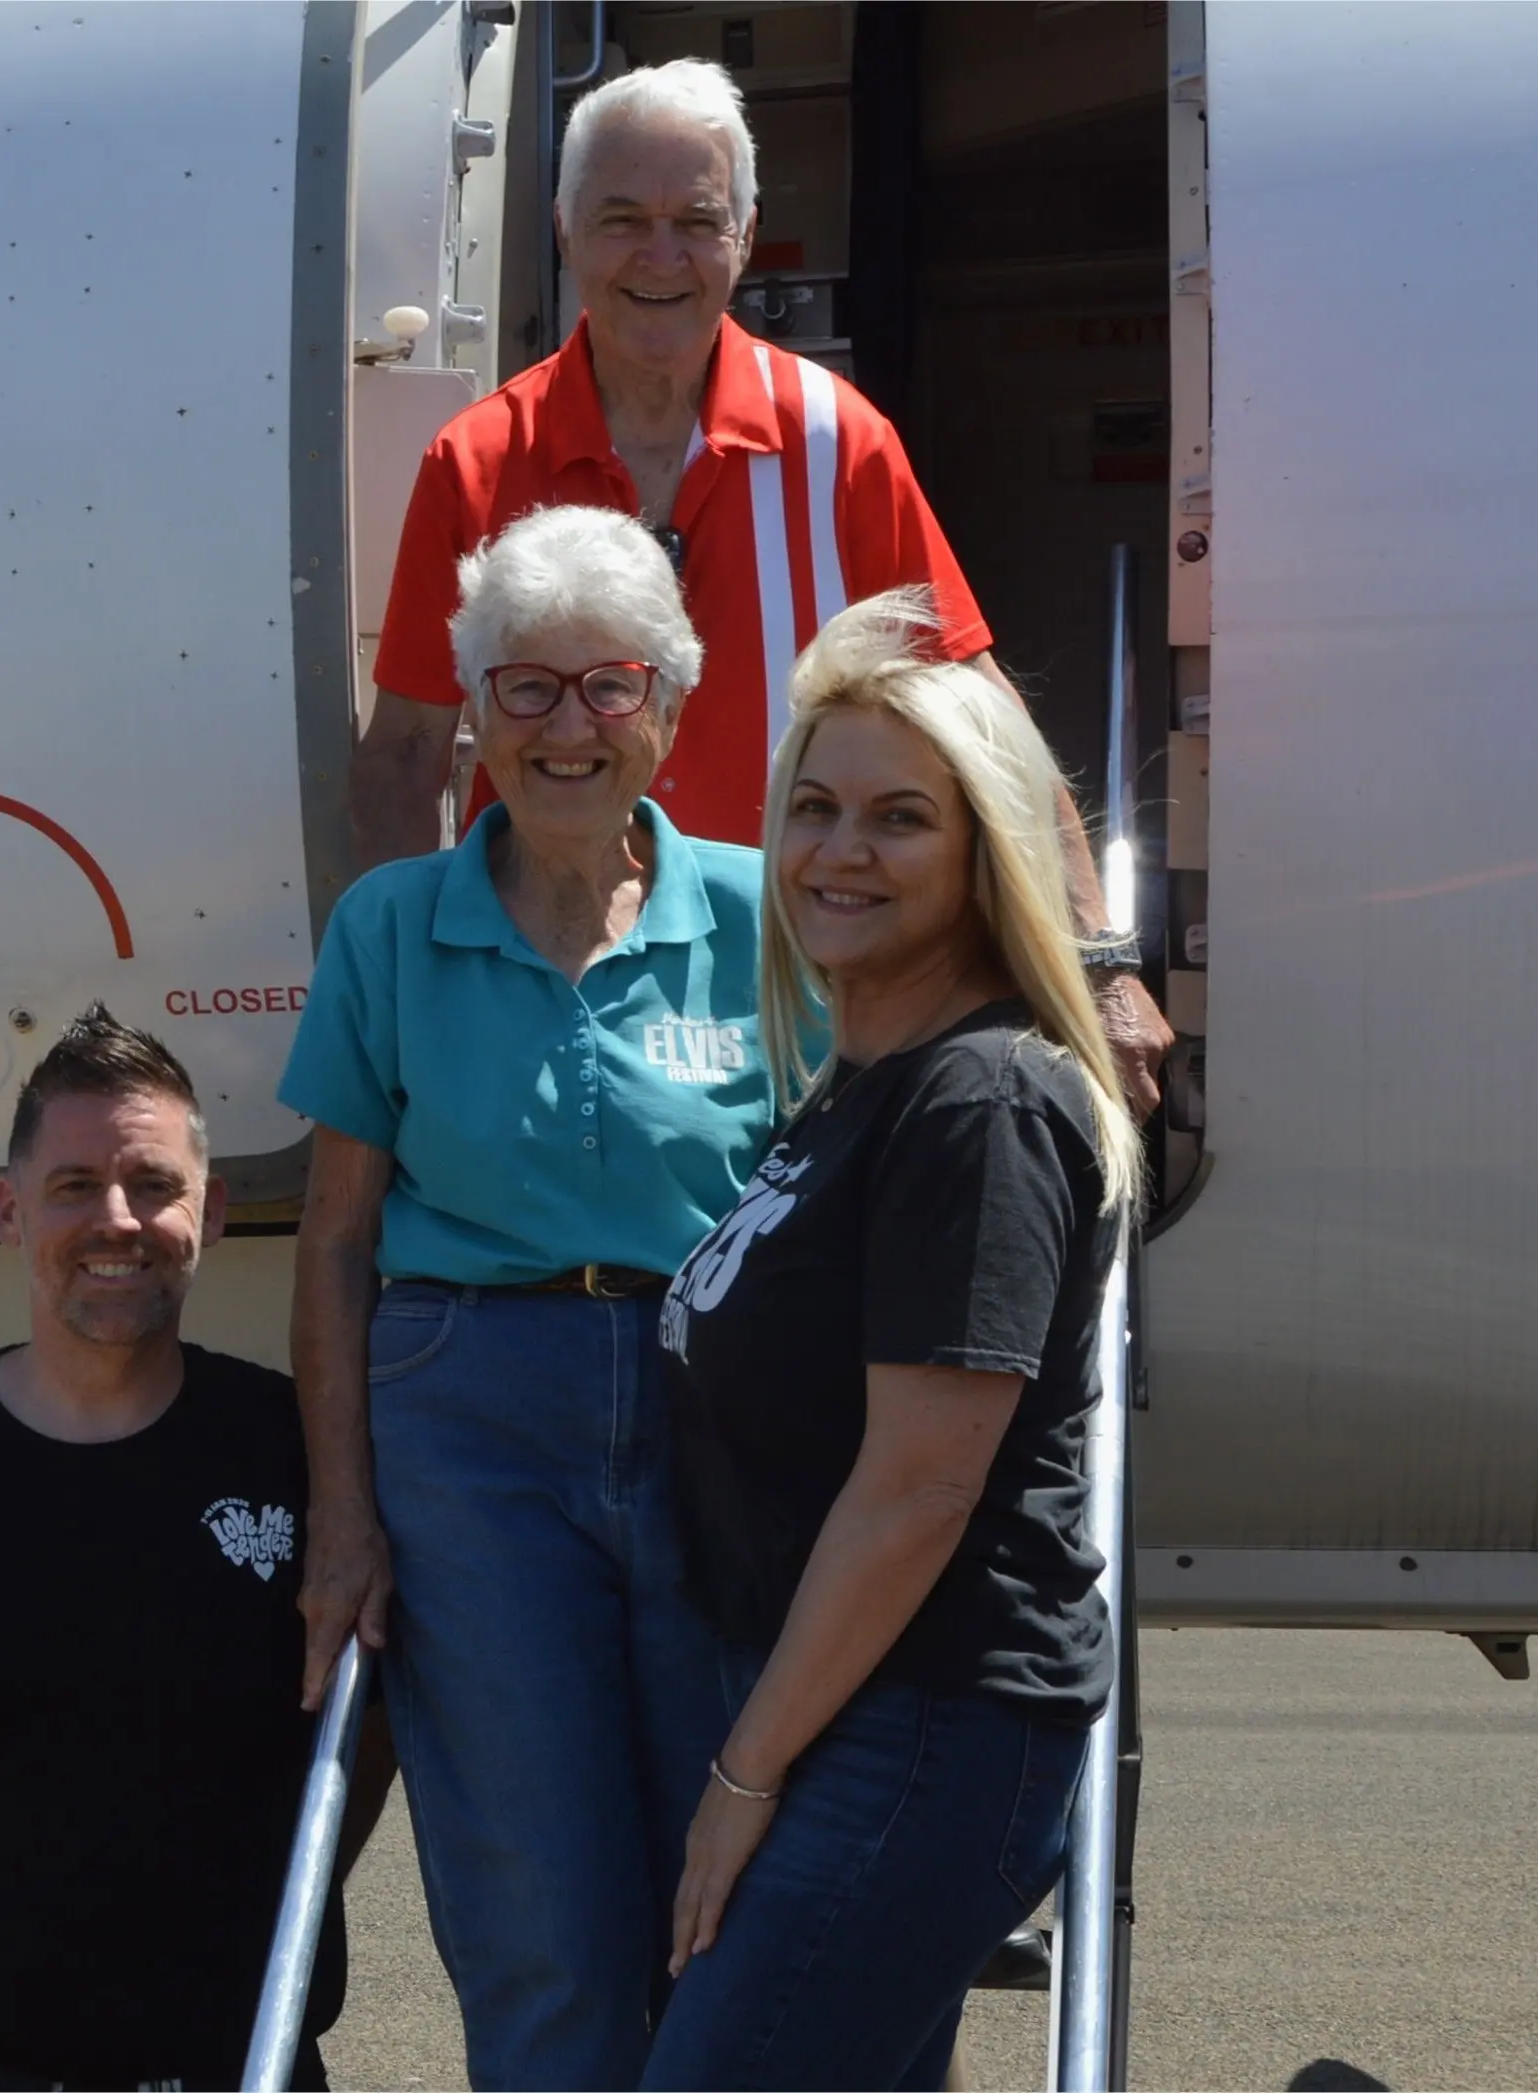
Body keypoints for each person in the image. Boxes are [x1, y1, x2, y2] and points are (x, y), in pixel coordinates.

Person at [350, 57, 1170, 1109]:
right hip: (551, 1021)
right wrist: (398, 999)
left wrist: (1097, 963)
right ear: (562, 230)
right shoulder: (474, 462)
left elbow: (984, 724)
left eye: (696, 220)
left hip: (801, 1016)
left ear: (746, 234)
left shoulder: (840, 446)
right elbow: (402, 757)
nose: (660, 256)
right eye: (620, 220)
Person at [282, 505, 768, 2089]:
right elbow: (334, 1242)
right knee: (539, 1908)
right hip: (468, 1421)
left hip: (718, 1423)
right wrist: (343, 1517)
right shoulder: (386, 926)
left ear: (670, 710)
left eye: (607, 686)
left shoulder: (770, 922)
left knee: (733, 1883)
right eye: (523, 690)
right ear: (471, 715)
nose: (566, 728)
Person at [642, 590, 1137, 2090]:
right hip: (864, 1719)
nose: (835, 853)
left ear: (980, 850)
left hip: (925, 1729)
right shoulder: (864, 1084)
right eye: (811, 807)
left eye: (896, 819)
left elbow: (918, 1488)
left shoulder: (975, 1102)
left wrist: (744, 1775)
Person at [0, 1008, 354, 2091]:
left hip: (230, 2067)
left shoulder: (301, 1452)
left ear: (211, 1209)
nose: (117, 1218)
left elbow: (356, 1750)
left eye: (154, 1183)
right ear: (7, 1209)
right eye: (75, 1185)